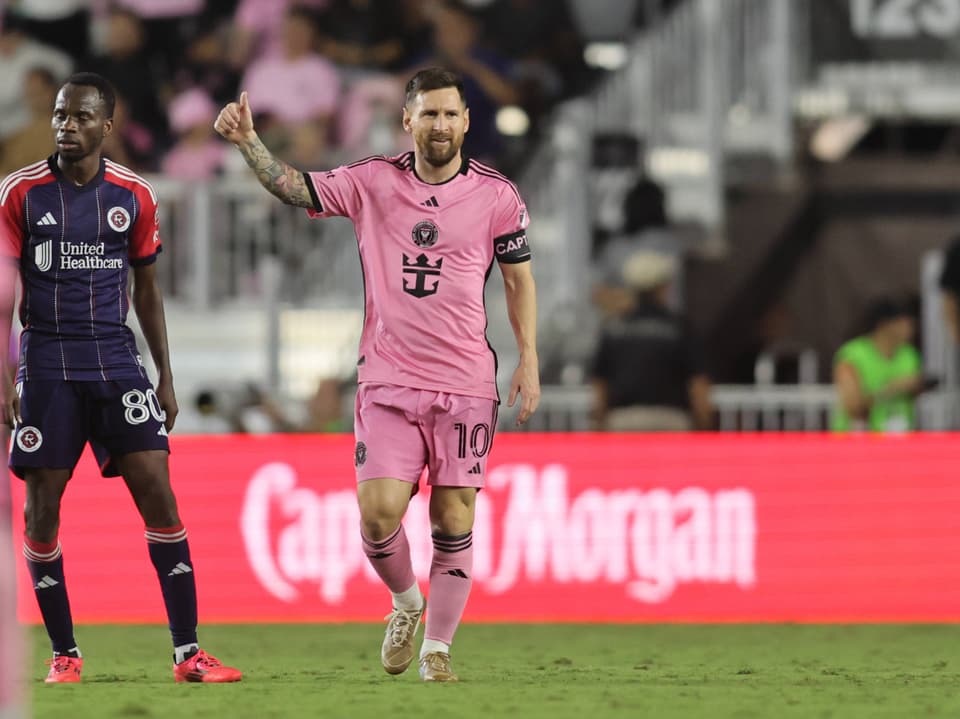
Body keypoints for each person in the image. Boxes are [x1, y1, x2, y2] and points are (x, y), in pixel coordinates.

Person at [215, 66, 540, 682]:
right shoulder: (371, 181)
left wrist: (530, 358)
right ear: (407, 120)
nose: (440, 124)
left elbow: (519, 280)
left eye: (450, 114)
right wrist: (249, 143)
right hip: (389, 378)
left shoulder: (499, 196)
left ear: (466, 122)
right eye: (429, 113)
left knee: (452, 518)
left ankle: (437, 649)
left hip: (467, 383)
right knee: (378, 514)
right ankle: (406, 602)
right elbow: (293, 187)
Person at [0, 72, 241, 684]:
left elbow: (148, 289)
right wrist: (5, 378)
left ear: (107, 125)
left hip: (116, 360)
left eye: (80, 117)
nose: (66, 126)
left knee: (159, 496)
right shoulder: (20, 193)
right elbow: (3, 296)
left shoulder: (134, 194)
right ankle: (64, 654)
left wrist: (165, 375)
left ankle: (188, 653)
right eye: (59, 115)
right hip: (49, 363)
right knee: (39, 515)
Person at [590, 250, 714, 431]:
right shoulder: (679, 328)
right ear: (663, 287)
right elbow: (698, 383)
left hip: (623, 422)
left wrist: (599, 424)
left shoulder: (613, 328)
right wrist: (704, 423)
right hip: (671, 421)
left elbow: (600, 384)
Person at [832, 296, 926, 432]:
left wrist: (917, 386)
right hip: (858, 439)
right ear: (884, 325)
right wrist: (891, 389)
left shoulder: (909, 355)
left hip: (900, 438)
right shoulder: (853, 354)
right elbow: (854, 406)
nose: (910, 328)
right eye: (903, 322)